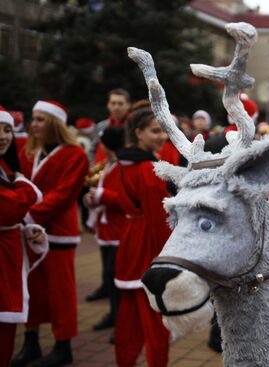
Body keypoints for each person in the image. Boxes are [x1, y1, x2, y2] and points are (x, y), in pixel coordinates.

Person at [12, 100, 88, 367]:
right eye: (33, 119)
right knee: (31, 289)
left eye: (41, 119)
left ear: (55, 123)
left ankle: (63, 345)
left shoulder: (75, 153)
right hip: (28, 230)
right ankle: (31, 341)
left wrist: (29, 214)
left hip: (58, 233)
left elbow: (64, 194)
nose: (34, 125)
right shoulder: (28, 150)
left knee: (60, 292)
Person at [114, 107, 171, 367]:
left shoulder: (125, 163)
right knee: (155, 319)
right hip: (148, 246)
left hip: (129, 241)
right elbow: (158, 221)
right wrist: (169, 258)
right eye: (155, 131)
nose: (161, 136)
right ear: (138, 133)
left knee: (128, 316)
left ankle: (125, 360)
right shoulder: (148, 170)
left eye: (162, 131)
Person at [0, 106, 48, 367]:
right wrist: (24, 186)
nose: (3, 136)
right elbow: (10, 207)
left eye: (7, 129)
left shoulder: (4, 164)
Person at [84, 126, 127, 333]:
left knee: (115, 275)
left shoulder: (122, 166)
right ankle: (114, 314)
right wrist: (91, 198)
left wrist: (101, 195)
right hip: (107, 230)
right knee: (108, 275)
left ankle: (121, 320)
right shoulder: (109, 164)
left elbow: (125, 201)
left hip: (119, 231)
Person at [89, 88, 131, 165]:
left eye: (120, 103)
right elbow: (92, 149)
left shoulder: (133, 126)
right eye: (113, 103)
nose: (116, 107)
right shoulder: (101, 126)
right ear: (108, 105)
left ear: (128, 105)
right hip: (100, 172)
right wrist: (92, 166)